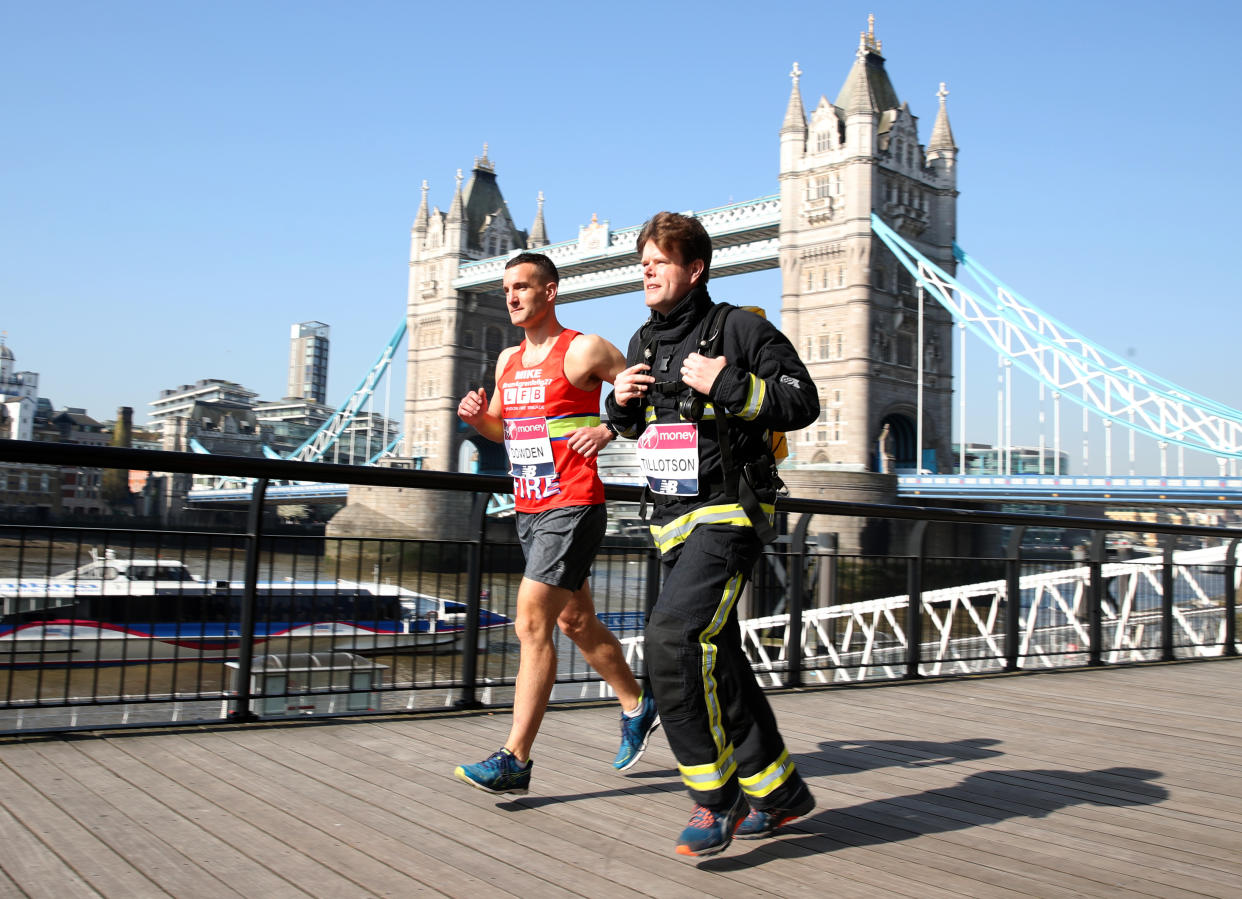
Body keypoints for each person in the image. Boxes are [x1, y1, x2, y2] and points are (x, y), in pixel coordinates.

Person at [605, 212, 819, 857]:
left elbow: (801, 400)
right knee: (717, 656)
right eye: (642, 261)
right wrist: (620, 403)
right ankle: (779, 796)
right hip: (670, 518)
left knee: (672, 641)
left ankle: (713, 798)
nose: (646, 270)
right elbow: (641, 429)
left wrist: (727, 382)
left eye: (659, 261)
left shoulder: (740, 328)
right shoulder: (644, 338)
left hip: (729, 513)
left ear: (694, 269)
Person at [454, 251, 659, 794]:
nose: (512, 297)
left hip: (573, 503)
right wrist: (480, 421)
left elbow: (649, 395)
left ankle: (515, 758)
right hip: (529, 504)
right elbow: (505, 432)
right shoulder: (506, 361)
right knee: (575, 622)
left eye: (522, 287)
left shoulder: (585, 348)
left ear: (549, 292)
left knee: (529, 623)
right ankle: (638, 704)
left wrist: (610, 431)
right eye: (506, 290)